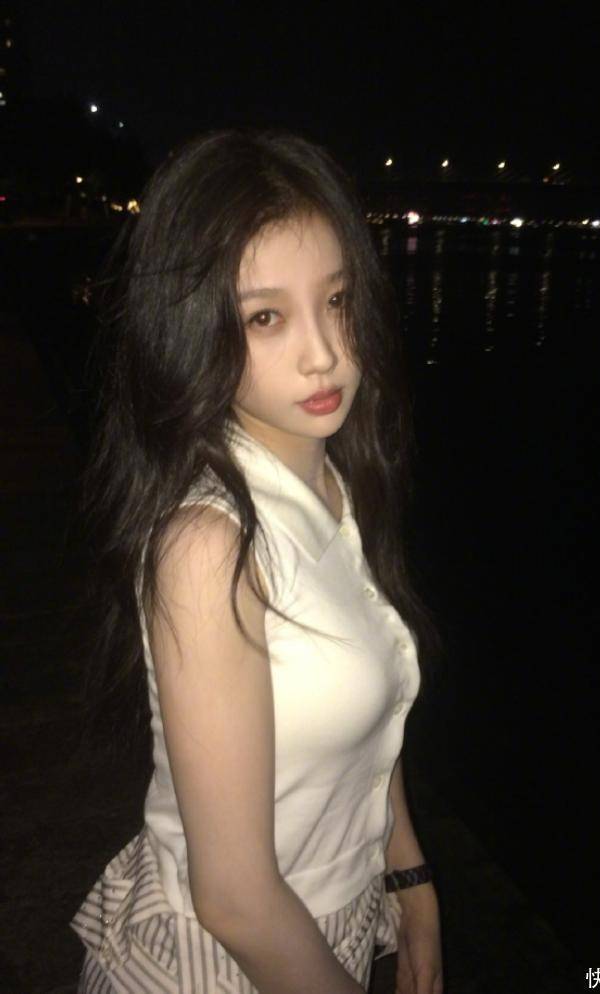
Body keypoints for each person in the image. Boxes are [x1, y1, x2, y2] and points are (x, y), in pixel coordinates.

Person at [68, 127, 445, 994]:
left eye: (337, 301)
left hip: (327, 929)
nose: (324, 353)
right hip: (224, 966)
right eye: (265, 317)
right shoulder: (211, 546)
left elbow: (369, 723)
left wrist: (410, 877)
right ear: (195, 330)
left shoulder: (339, 487)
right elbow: (236, 900)